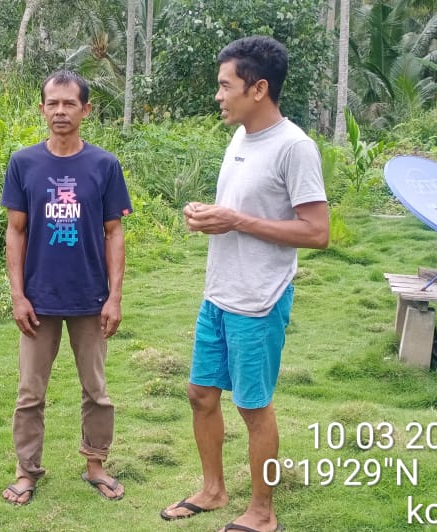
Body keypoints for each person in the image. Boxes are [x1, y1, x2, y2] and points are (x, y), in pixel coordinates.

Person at [159, 36, 329, 532]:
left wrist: (236, 220)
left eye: (224, 86)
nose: (218, 95)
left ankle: (262, 511)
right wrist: (209, 216)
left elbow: (317, 232)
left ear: (258, 88)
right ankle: (213, 490)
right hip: (219, 292)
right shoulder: (239, 137)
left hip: (260, 298)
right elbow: (240, 212)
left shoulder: (295, 147)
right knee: (200, 393)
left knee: (253, 406)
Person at [0, 71, 134, 506]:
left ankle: (95, 464)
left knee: (96, 389)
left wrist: (114, 295)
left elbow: (114, 233)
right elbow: (15, 232)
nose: (60, 111)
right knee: (29, 392)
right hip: (38, 300)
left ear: (85, 110)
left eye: (69, 104)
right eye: (52, 103)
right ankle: (27, 471)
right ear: (41, 108)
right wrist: (18, 295)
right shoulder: (23, 163)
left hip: (90, 299)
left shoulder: (104, 165)